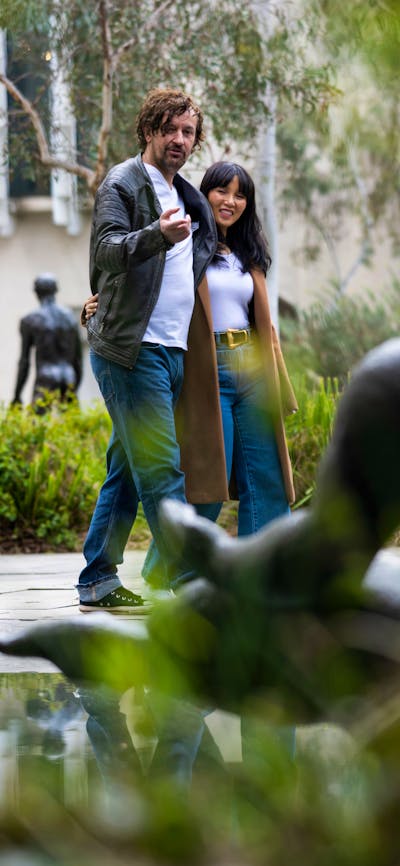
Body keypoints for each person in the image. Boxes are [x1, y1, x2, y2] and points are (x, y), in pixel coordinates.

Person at [83, 160, 297, 593]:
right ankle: (168, 567)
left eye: (240, 195)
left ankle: (264, 575)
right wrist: (93, 308)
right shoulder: (189, 244)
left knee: (266, 477)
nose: (231, 202)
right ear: (205, 195)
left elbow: (264, 323)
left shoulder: (249, 254)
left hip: (252, 368)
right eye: (222, 192)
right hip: (206, 367)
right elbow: (141, 286)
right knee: (206, 482)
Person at [77, 87, 222, 613]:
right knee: (161, 467)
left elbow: (201, 259)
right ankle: (188, 580)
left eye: (188, 132)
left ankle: (97, 578)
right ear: (149, 130)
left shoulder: (188, 194)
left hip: (172, 352)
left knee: (125, 472)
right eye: (170, 129)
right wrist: (157, 235)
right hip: (131, 350)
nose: (179, 139)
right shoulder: (123, 182)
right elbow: (107, 251)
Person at [12, 273, 82, 409]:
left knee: (39, 424)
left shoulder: (30, 319)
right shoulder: (70, 318)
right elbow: (78, 360)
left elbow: (24, 362)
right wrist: (75, 386)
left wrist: (17, 395)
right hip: (68, 376)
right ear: (56, 290)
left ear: (36, 292)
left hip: (46, 378)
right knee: (73, 425)